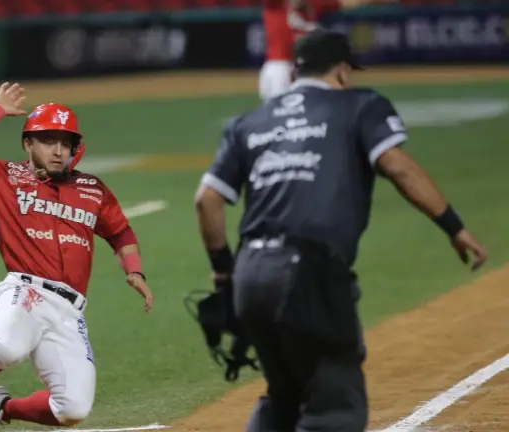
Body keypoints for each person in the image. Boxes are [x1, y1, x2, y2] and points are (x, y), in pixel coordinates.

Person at [195, 29, 488, 431]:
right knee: (334, 401)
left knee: (284, 395)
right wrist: (453, 227)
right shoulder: (360, 106)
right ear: (343, 71)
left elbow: (206, 200)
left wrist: (224, 274)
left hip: (250, 274)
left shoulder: (249, 122)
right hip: (309, 272)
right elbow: (397, 166)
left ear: (294, 73)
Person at [0, 82, 154, 432]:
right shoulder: (2, 177)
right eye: (48, 141)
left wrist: (135, 271)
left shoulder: (92, 189)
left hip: (69, 309)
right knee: (3, 349)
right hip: (25, 290)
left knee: (72, 409)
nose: (58, 151)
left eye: (65, 143)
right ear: (28, 144)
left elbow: (120, 232)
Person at [259, 0, 392, 101]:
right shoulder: (276, 5)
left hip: (300, 68)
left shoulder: (313, 4)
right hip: (279, 67)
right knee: (281, 116)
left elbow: (345, 2)